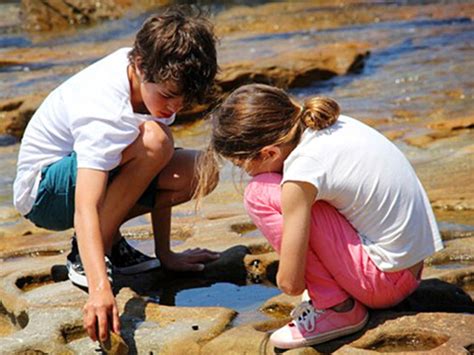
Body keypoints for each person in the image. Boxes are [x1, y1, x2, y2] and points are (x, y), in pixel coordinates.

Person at [13, 7, 220, 343]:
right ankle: (87, 254)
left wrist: (165, 254)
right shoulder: (105, 106)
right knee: (155, 140)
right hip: (45, 192)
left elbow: (159, 161)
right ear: (139, 66)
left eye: (184, 101)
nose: (174, 108)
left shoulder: (156, 75)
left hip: (90, 176)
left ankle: (110, 242)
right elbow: (85, 205)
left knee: (200, 171)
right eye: (168, 96)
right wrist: (99, 288)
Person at [196, 83, 443, 349]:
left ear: (269, 152)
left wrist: (295, 275)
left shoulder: (303, 170)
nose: (244, 172)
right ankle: (341, 296)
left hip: (383, 283)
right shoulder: (330, 124)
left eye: (241, 164)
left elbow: (290, 284)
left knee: (258, 192)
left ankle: (338, 309)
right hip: (408, 269)